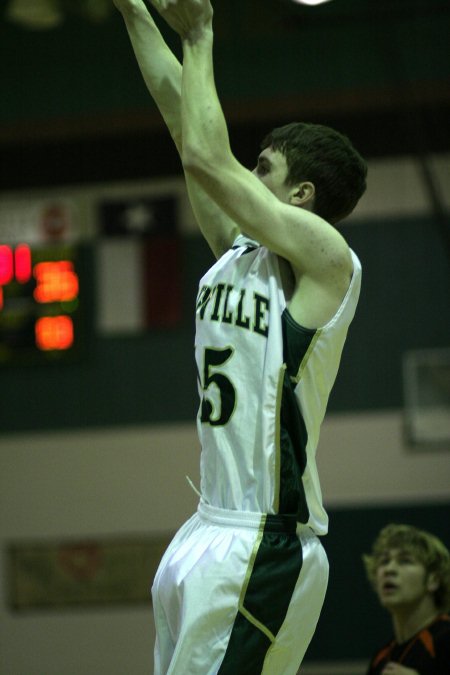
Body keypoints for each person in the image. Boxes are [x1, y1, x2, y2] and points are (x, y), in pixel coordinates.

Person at [113, 1, 367, 672]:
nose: (245, 177)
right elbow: (183, 126)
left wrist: (201, 34)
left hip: (267, 539)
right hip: (210, 526)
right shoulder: (238, 248)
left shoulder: (328, 259)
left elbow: (205, 155)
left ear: (304, 194)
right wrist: (133, 12)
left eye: (263, 168)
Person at [363, 524, 450, 675]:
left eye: (405, 561)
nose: (389, 569)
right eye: (384, 561)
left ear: (433, 579)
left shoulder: (446, 638)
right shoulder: (380, 659)